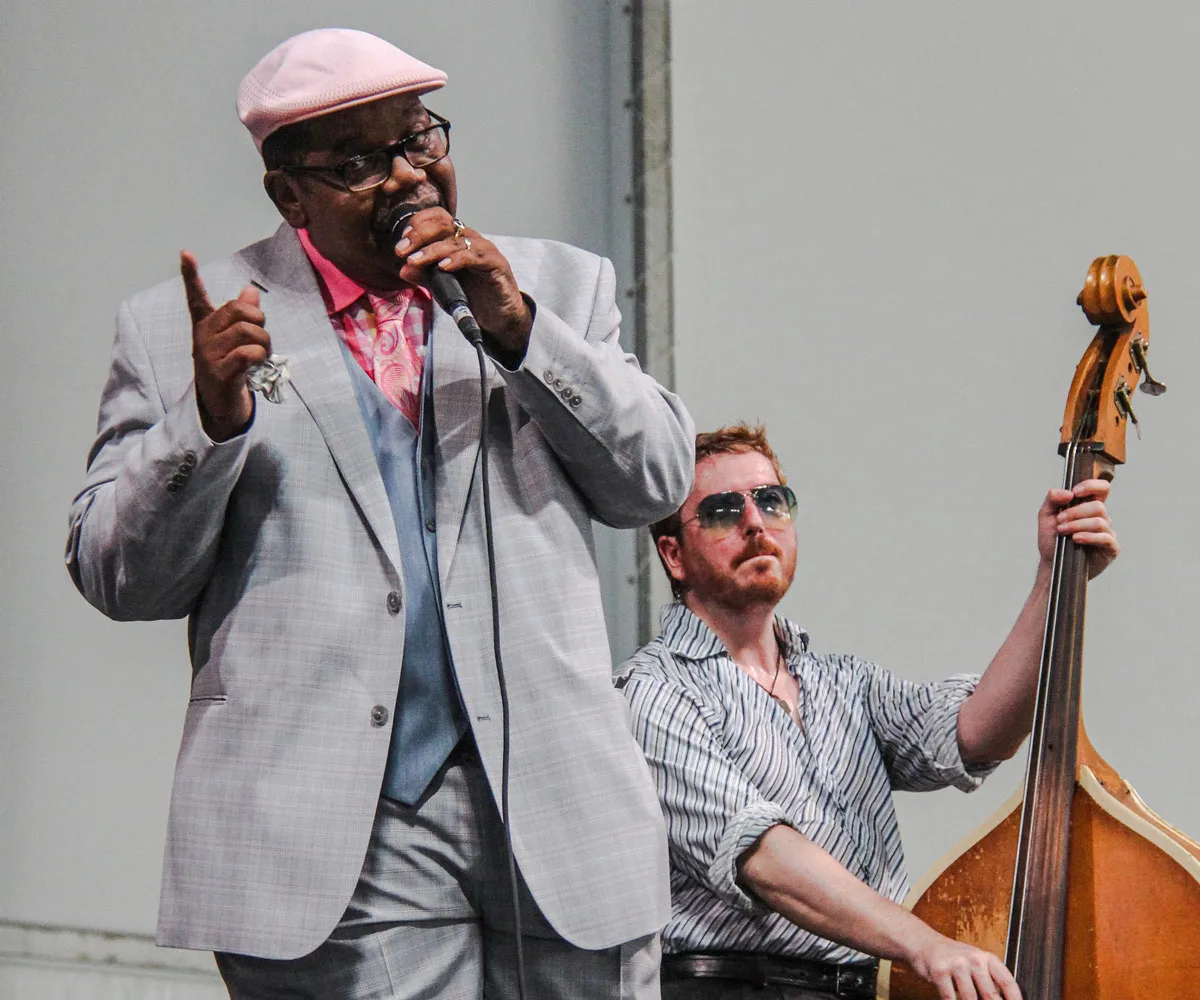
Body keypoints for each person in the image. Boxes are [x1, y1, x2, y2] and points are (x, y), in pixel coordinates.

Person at [66, 28, 694, 1000]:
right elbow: (119, 574)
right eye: (362, 162)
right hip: (338, 830)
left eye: (421, 140)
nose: (411, 177)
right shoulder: (184, 328)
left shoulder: (556, 284)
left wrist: (518, 327)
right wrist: (209, 418)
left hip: (556, 800)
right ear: (290, 194)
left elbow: (652, 481)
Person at [617, 424, 1119, 1000]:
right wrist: (924, 943)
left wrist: (1055, 579)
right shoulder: (654, 693)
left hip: (869, 987)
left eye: (771, 501)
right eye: (724, 510)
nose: (756, 523)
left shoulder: (844, 683)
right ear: (673, 555)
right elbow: (766, 858)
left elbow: (978, 733)